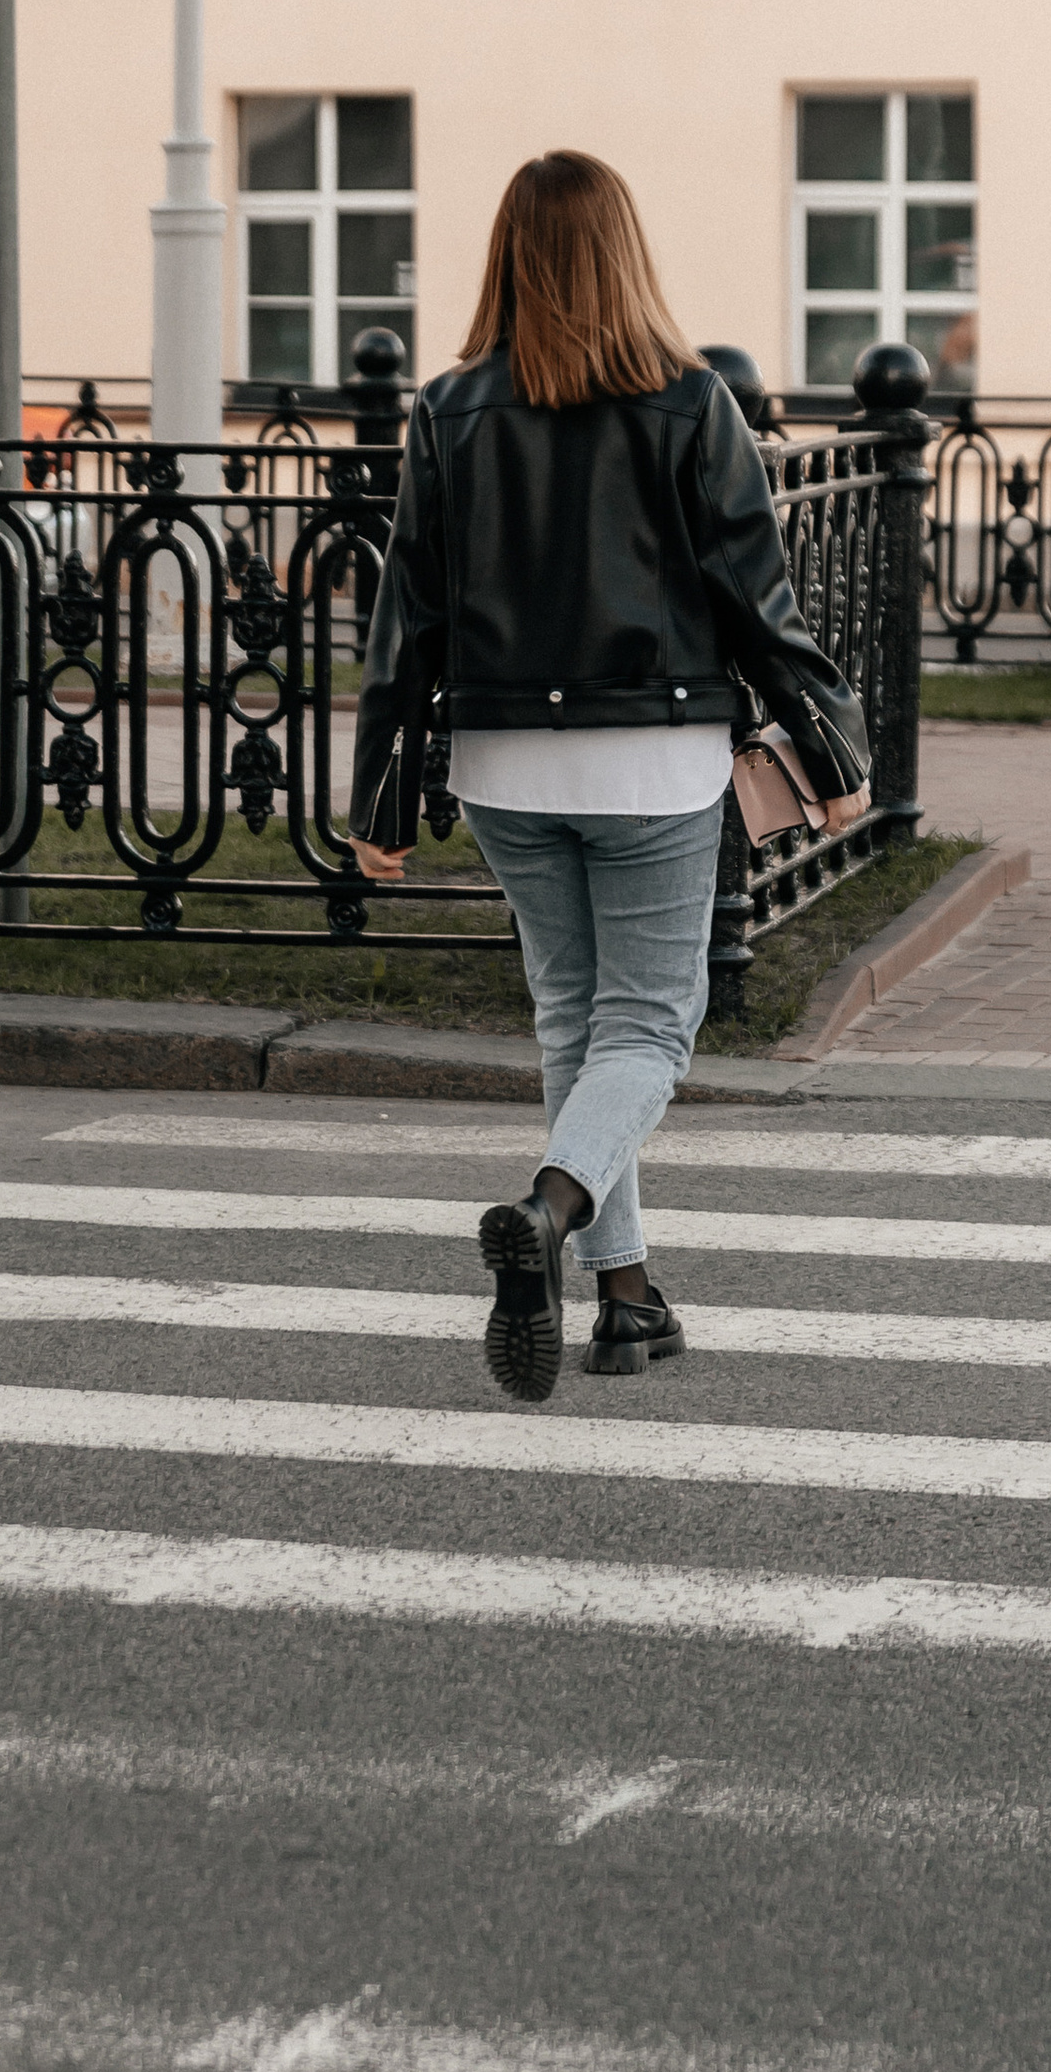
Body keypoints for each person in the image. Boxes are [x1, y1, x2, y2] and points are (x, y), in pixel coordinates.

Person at [348, 150, 871, 1403]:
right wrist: (834, 746)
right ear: (625, 254)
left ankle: (625, 1303)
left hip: (501, 766)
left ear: (507, 257)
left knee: (575, 1027)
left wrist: (379, 796)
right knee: (649, 1025)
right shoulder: (692, 405)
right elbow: (755, 596)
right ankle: (545, 1213)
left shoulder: (445, 410)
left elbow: (405, 616)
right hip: (653, 756)